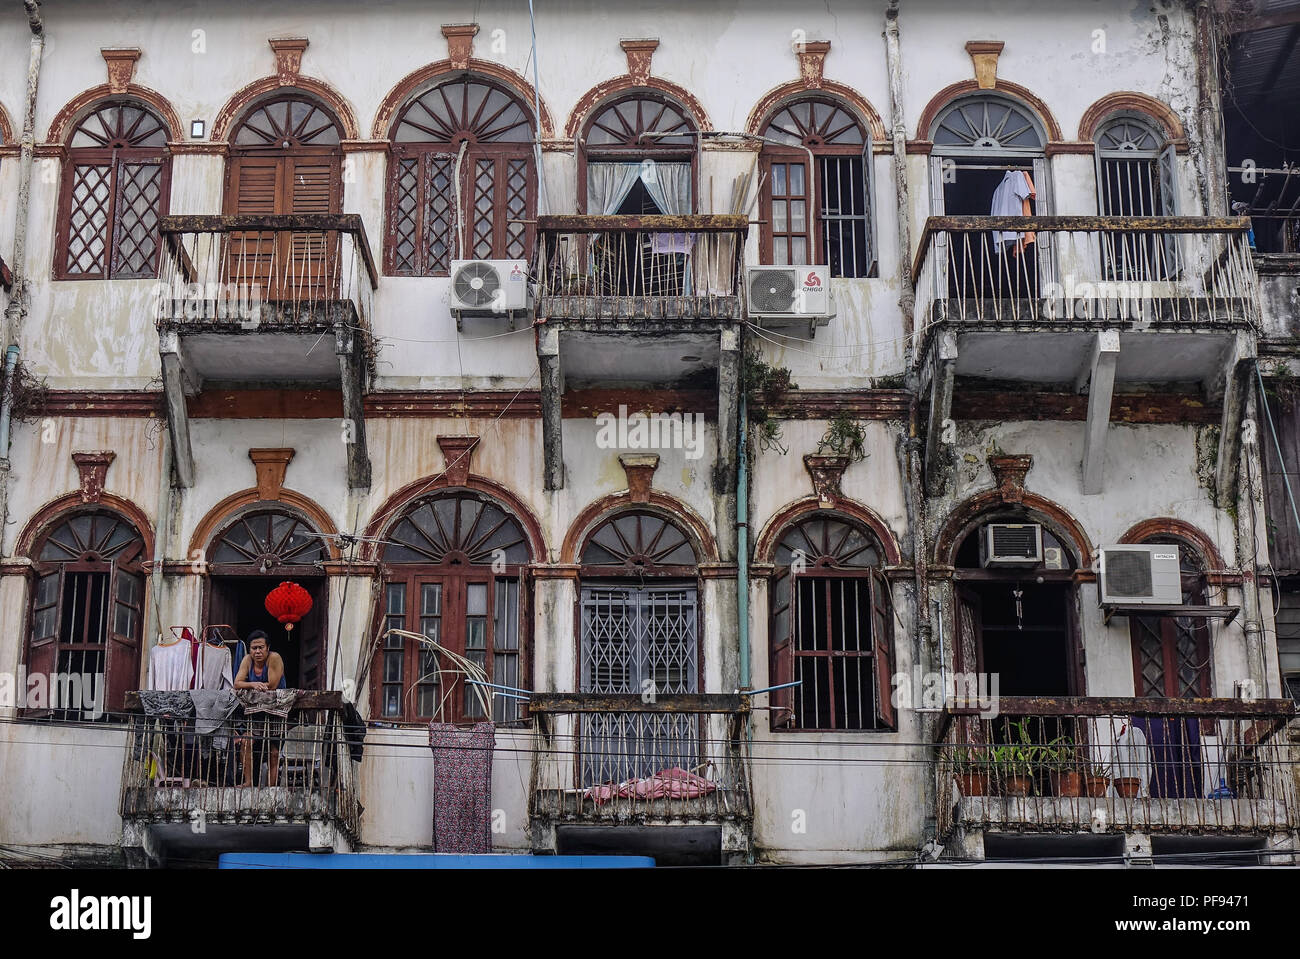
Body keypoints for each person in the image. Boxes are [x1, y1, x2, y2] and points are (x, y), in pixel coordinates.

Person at [234, 631, 287, 786]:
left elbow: (272, 685)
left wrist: (251, 686)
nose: (257, 651)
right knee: (246, 743)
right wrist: (252, 684)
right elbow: (237, 683)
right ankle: (248, 782)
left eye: (261, 647)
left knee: (274, 751)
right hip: (255, 713)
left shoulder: (274, 658)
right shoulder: (247, 660)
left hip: (275, 712)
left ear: (268, 648)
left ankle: (271, 787)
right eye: (253, 648)